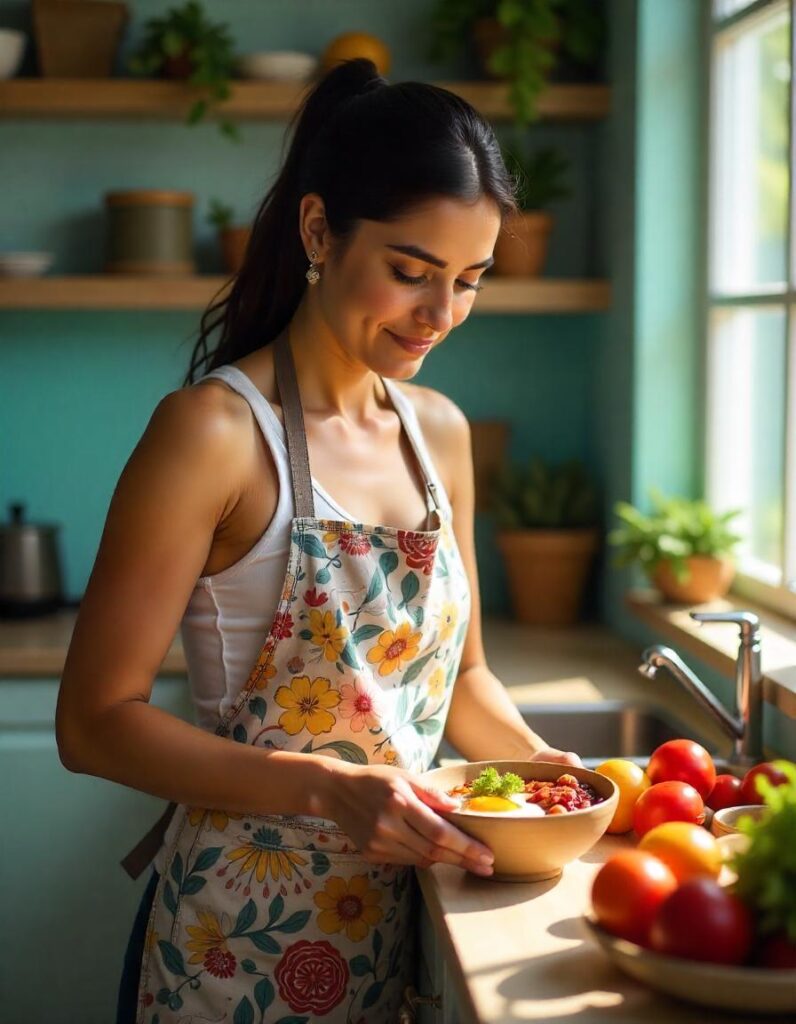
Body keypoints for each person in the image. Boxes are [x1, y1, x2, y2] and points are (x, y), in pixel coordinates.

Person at [56, 58, 581, 1024]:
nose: (441, 315)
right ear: (316, 231)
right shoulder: (213, 434)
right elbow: (91, 723)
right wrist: (327, 791)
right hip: (231, 953)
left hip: (400, 933)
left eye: (470, 281)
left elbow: (461, 682)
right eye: (411, 273)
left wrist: (552, 783)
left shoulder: (443, 435)